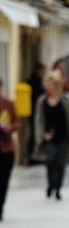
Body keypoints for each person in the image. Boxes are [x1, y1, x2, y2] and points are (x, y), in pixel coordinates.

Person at [33, 70, 69, 200]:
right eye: (46, 83)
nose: (47, 86)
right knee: (50, 159)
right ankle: (51, 184)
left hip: (63, 135)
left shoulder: (65, 99)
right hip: (48, 137)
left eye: (49, 84)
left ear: (56, 85)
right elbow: (39, 120)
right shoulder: (42, 101)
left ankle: (58, 188)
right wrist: (40, 136)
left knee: (61, 162)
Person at [0, 79, 20, 220]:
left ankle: (0, 207)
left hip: (6, 148)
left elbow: (17, 123)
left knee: (3, 181)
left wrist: (10, 128)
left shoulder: (8, 104)